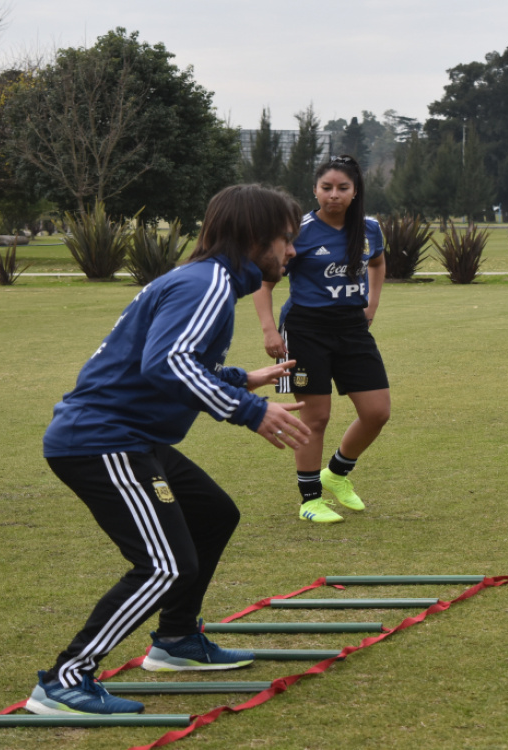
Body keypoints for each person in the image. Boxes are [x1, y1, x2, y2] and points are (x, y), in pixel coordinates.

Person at [28, 184, 311, 717]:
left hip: (133, 438)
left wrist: (239, 379)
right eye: (285, 239)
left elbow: (169, 359)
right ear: (254, 237)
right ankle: (65, 680)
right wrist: (250, 411)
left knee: (214, 514)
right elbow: (168, 364)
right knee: (164, 565)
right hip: (103, 440)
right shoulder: (206, 283)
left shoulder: (205, 280)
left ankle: (177, 640)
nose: (291, 252)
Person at [253, 154, 389, 524]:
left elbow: (377, 263)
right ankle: (310, 499)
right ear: (314, 190)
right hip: (306, 329)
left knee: (377, 412)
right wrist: (269, 329)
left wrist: (372, 306)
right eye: (326, 187)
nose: (334, 195)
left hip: (353, 328)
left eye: (342, 188)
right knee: (316, 417)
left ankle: (337, 473)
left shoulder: (370, 229)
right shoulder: (299, 231)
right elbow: (265, 281)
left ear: (355, 191)